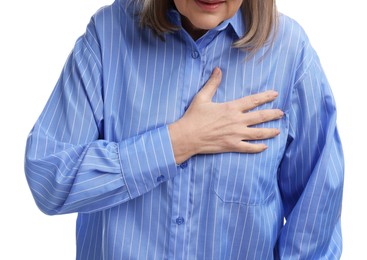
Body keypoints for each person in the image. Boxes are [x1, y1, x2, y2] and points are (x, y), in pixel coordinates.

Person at [24, 0, 344, 259]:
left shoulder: (289, 54)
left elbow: (316, 223)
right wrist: (176, 143)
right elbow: (49, 178)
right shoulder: (108, 36)